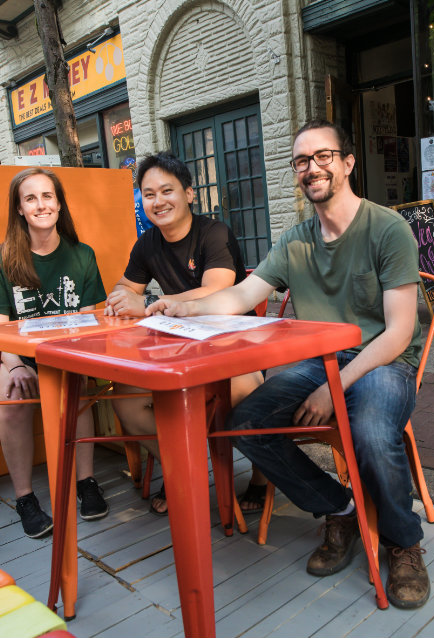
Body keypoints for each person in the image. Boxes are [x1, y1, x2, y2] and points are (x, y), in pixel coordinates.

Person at [145, 121, 430, 609]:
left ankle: (404, 542)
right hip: (320, 362)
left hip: (383, 361)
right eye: (302, 161)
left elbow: (400, 332)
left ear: (347, 163)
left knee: (371, 432)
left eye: (323, 156)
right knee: (246, 425)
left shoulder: (387, 228)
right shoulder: (295, 239)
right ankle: (340, 509)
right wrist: (182, 306)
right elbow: (242, 294)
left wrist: (334, 387)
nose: (311, 168)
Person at [104, 151, 268, 516]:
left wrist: (147, 301)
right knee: (124, 399)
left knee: (248, 396)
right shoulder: (147, 244)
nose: (158, 201)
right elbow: (123, 286)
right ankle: (182, 468)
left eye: (167, 190)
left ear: (189, 193)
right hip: (179, 351)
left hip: (234, 346)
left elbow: (217, 289)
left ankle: (261, 476)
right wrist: (122, 297)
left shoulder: (214, 233)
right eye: (149, 194)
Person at [0, 168, 108, 539]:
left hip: (62, 352)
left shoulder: (82, 255)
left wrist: (72, 361)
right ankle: (25, 499)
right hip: (10, 356)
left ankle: (86, 482)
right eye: (30, 198)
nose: (41, 204)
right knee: (12, 398)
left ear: (60, 204)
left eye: (48, 196)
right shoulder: (0, 260)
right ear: (19, 209)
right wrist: (15, 365)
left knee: (76, 391)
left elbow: (86, 322)